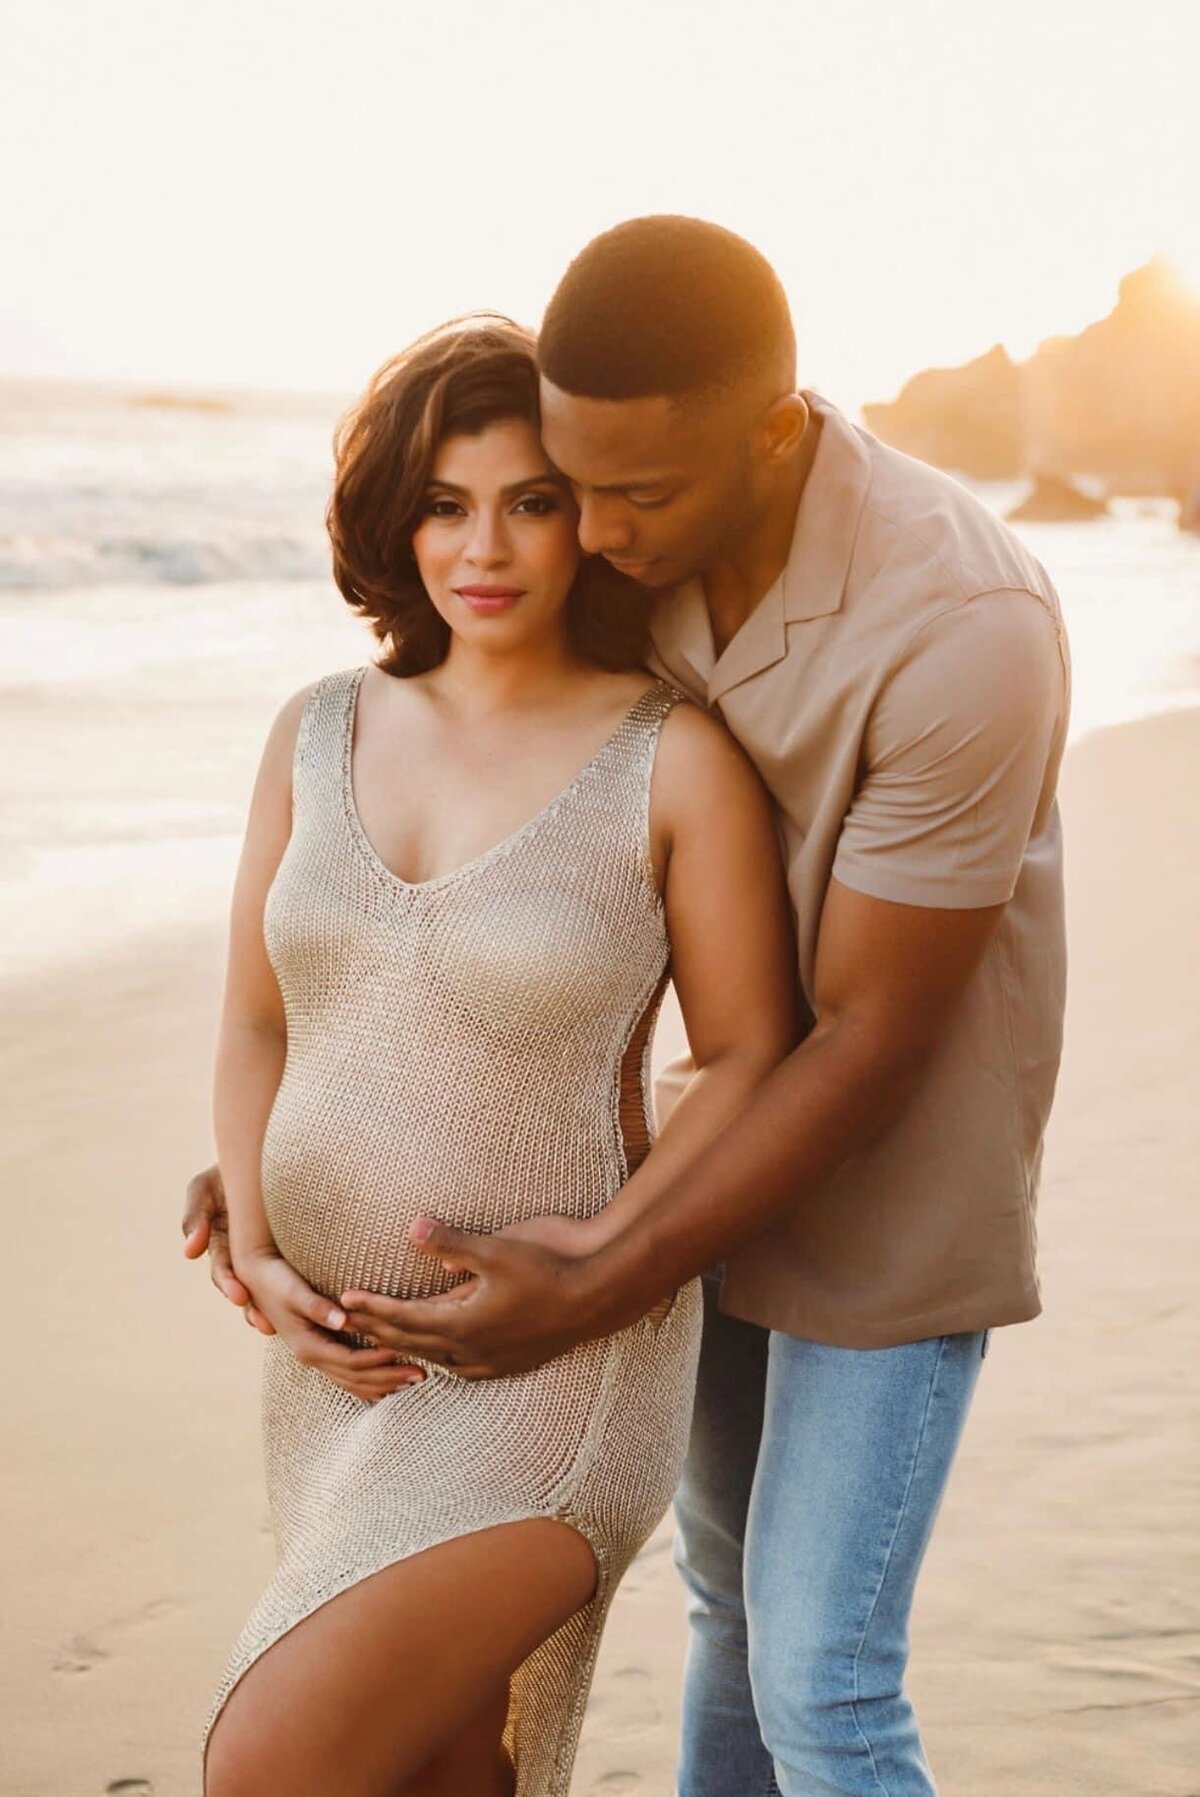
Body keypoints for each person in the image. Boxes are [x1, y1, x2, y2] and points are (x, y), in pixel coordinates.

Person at [187, 219, 1071, 1796]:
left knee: (821, 1672)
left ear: (770, 441)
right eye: (545, 487)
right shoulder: (604, 569)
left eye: (595, 500)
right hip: (506, 1275)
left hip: (877, 1165)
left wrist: (599, 1271)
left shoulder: (960, 630)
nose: (569, 534)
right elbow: (325, 988)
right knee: (656, 1651)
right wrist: (275, 1167)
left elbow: (854, 1035)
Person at [194, 316, 798, 1797]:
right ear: (395, 515)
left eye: (532, 501)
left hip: (558, 1361)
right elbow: (262, 1014)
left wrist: (602, 1257)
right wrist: (264, 1254)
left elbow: (745, 1057)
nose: (489, 545)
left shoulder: (673, 757)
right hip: (336, 1367)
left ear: (590, 521)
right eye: (448, 501)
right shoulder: (316, 728)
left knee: (272, 1764)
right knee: (444, 1761)